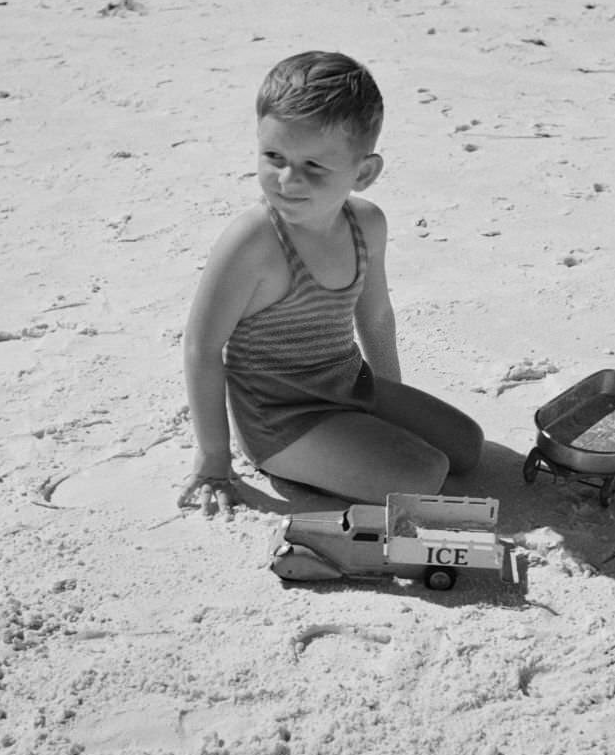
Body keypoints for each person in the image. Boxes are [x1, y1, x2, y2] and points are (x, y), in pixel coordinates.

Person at [180, 51, 483, 514]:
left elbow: (376, 316)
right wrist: (214, 460)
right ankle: (287, 461)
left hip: (347, 385)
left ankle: (350, 444)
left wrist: (389, 400)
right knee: (423, 473)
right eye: (273, 156)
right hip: (280, 418)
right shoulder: (254, 242)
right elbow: (202, 348)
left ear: (363, 173)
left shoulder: (366, 225)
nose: (287, 179)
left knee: (466, 447)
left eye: (313, 166)